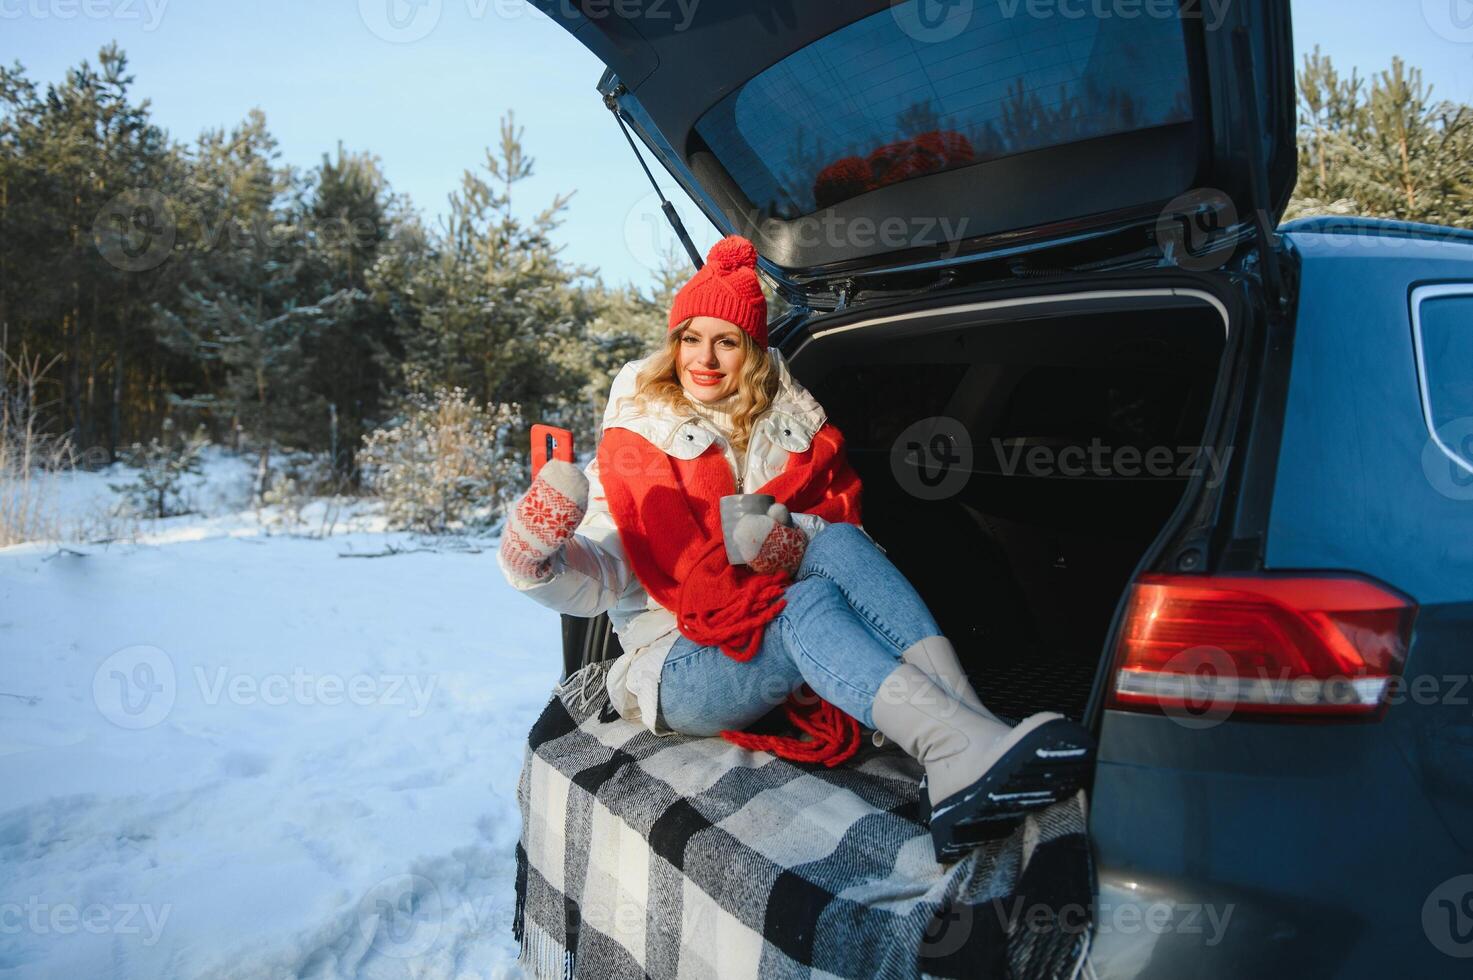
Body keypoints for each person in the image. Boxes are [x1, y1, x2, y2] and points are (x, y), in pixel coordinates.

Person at [497, 234, 1093, 861]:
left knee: (833, 541)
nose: (706, 357)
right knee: (801, 606)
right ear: (674, 346)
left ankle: (971, 733)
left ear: (751, 351)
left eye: (725, 340)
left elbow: (844, 552)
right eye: (692, 338)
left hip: (763, 626)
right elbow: (602, 571)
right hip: (675, 661)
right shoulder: (633, 449)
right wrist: (537, 564)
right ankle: (949, 749)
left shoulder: (789, 438)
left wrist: (781, 542)